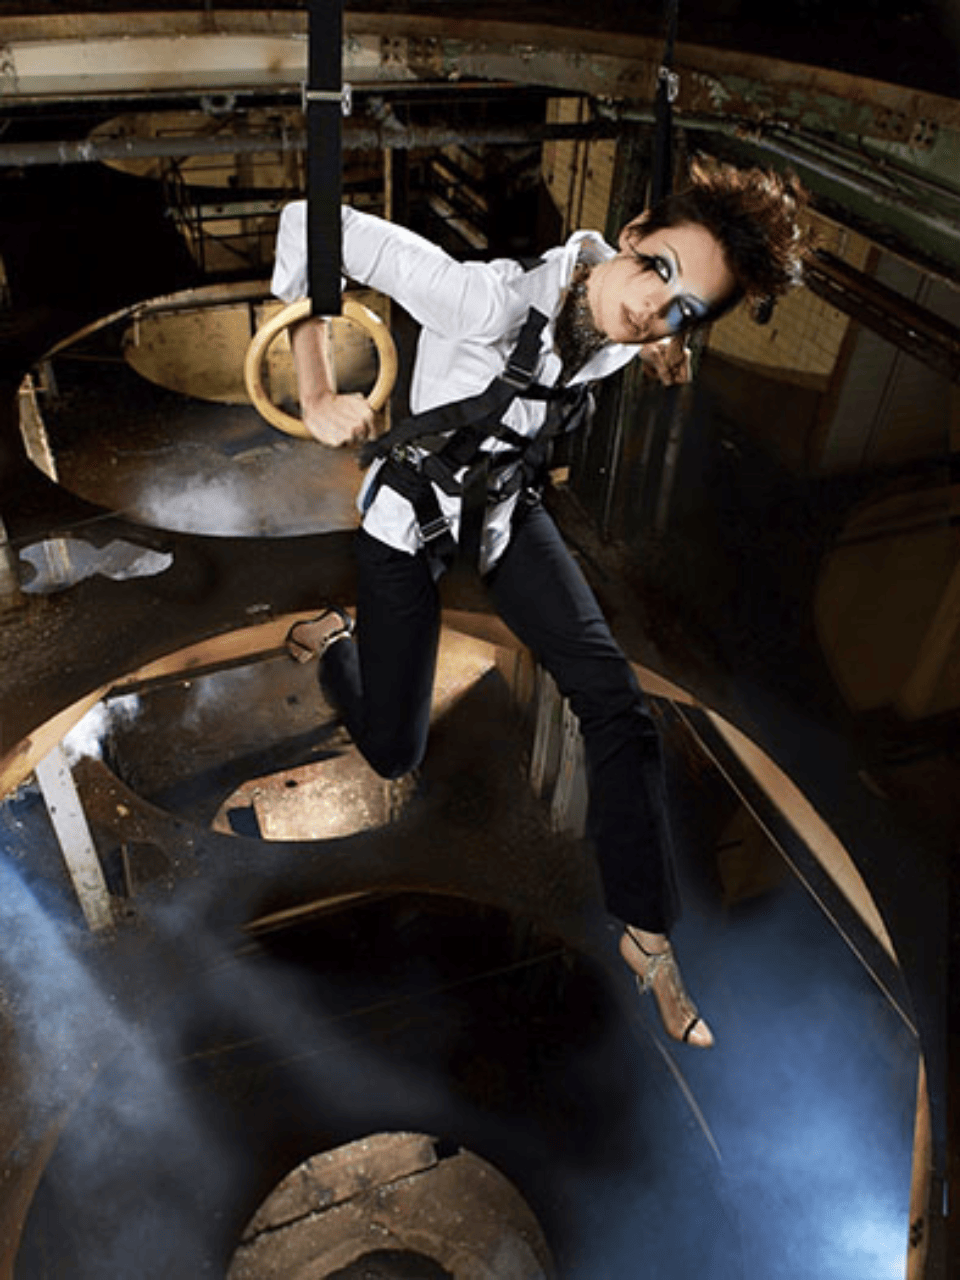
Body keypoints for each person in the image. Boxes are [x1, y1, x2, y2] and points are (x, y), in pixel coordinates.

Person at [271, 157, 811, 1048]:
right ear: (630, 236)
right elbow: (306, 222)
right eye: (658, 271)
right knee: (395, 754)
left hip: (504, 519)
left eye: (681, 309)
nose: (651, 308)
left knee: (617, 703)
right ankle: (336, 644)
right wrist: (318, 390)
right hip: (412, 519)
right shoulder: (480, 301)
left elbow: (643, 317)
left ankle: (645, 934)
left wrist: (666, 337)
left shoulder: (629, 323)